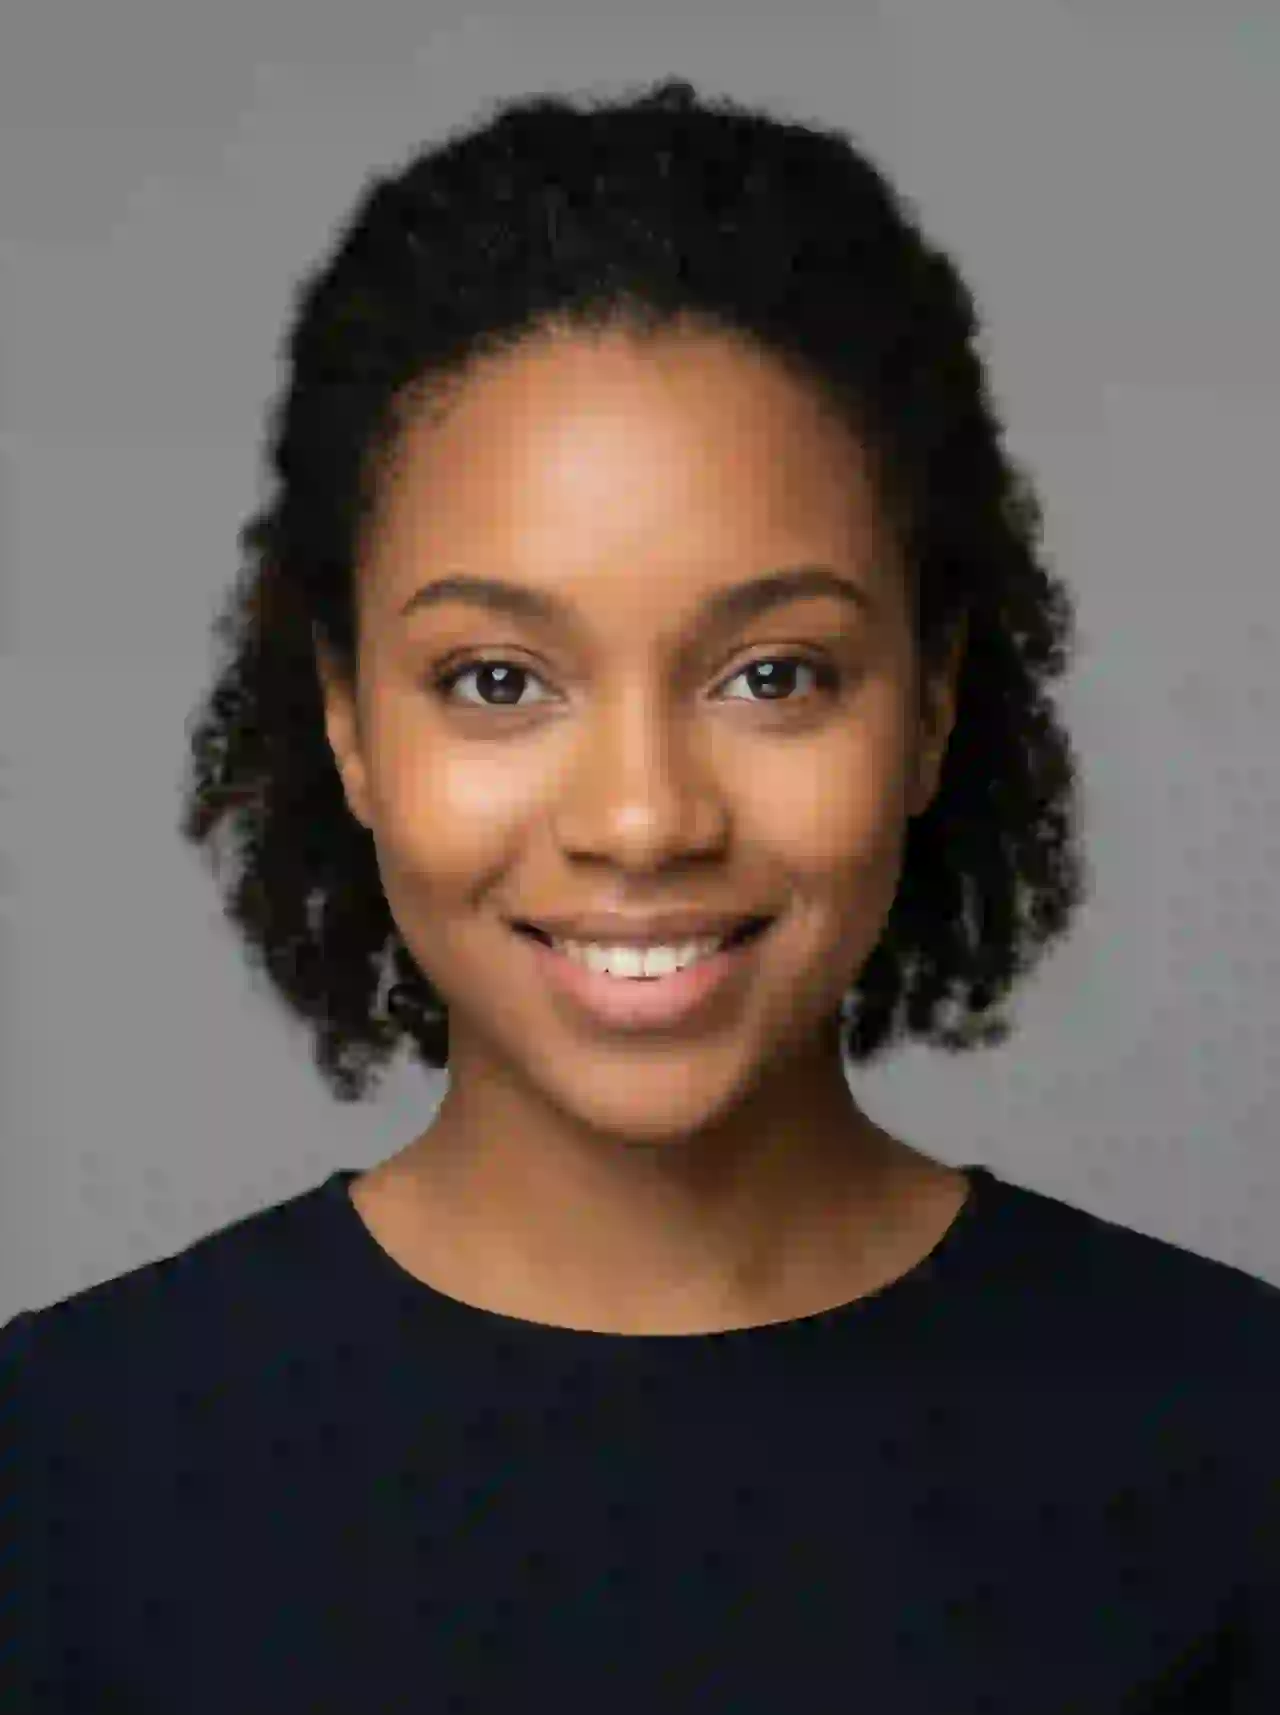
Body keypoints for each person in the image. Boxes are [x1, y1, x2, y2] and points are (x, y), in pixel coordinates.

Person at [2, 77, 1276, 1712]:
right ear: (347, 721)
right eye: (495, 678)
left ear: (931, 702)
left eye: (770, 672)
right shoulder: (63, 1464)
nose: (642, 815)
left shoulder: (1234, 1441)